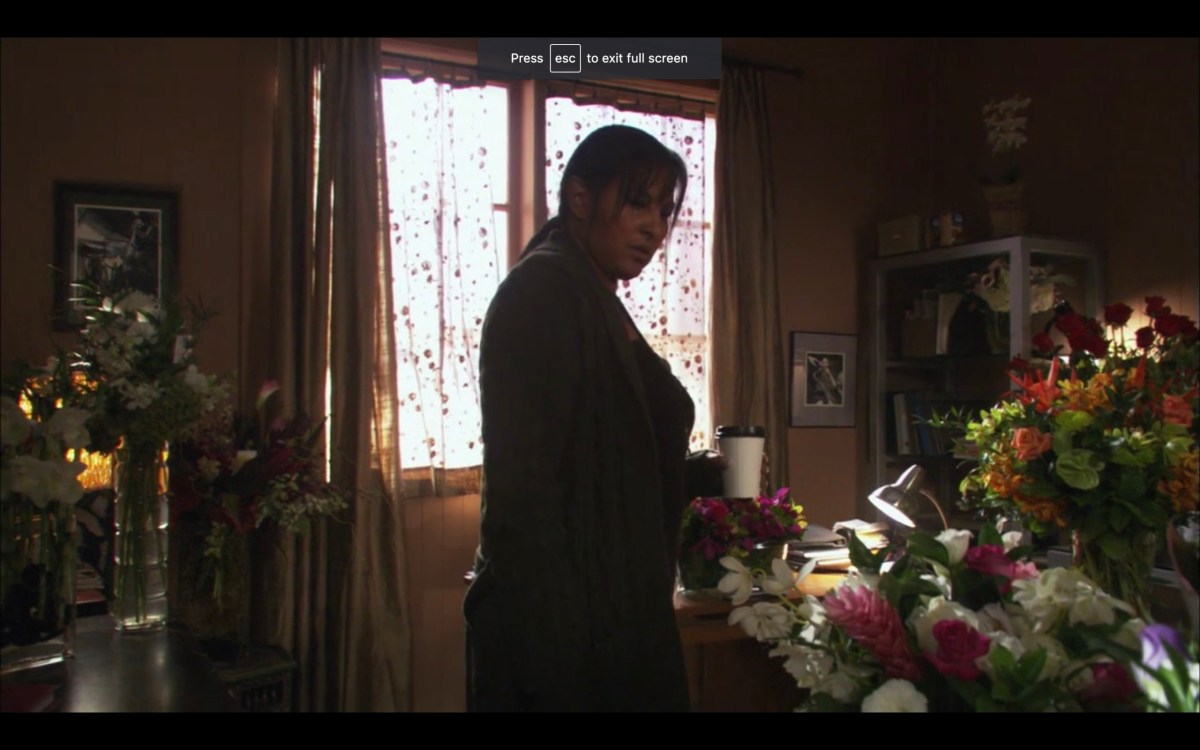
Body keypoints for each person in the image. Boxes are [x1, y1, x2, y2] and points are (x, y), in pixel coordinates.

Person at [464, 125, 723, 712]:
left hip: (614, 616)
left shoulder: (592, 295)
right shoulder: (542, 293)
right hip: (571, 642)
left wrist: (700, 476)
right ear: (580, 199)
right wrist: (560, 664)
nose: (656, 227)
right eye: (637, 202)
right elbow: (524, 501)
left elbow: (600, 452)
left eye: (663, 209)